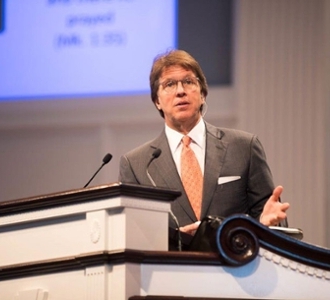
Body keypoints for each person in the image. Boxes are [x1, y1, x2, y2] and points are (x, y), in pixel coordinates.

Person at [119, 49, 290, 249]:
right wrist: (174, 240)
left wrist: (269, 223)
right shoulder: (137, 165)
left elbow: (275, 220)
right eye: (169, 84)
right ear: (157, 101)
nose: (180, 90)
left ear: (202, 94)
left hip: (237, 272)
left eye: (189, 82)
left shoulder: (244, 147)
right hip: (171, 275)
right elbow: (133, 237)